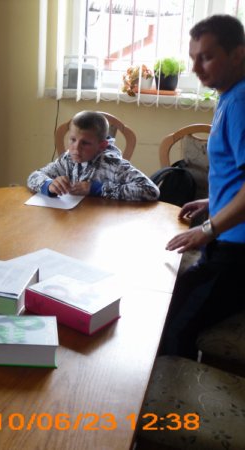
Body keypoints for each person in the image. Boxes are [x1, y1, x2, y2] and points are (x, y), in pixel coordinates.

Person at [162, 14, 245, 359]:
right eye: (193, 58)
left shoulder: (241, 102)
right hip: (226, 238)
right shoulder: (230, 95)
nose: (195, 68)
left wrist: (208, 229)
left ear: (238, 54)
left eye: (207, 57)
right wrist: (214, 201)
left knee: (170, 325)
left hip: (236, 253)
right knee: (169, 297)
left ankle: (171, 392)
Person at [27, 110, 159, 201]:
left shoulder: (112, 164)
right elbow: (34, 176)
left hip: (102, 222)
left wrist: (96, 189)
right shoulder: (68, 159)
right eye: (73, 140)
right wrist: (49, 185)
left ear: (102, 145)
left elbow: (151, 190)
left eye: (85, 143)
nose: (76, 148)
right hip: (72, 219)